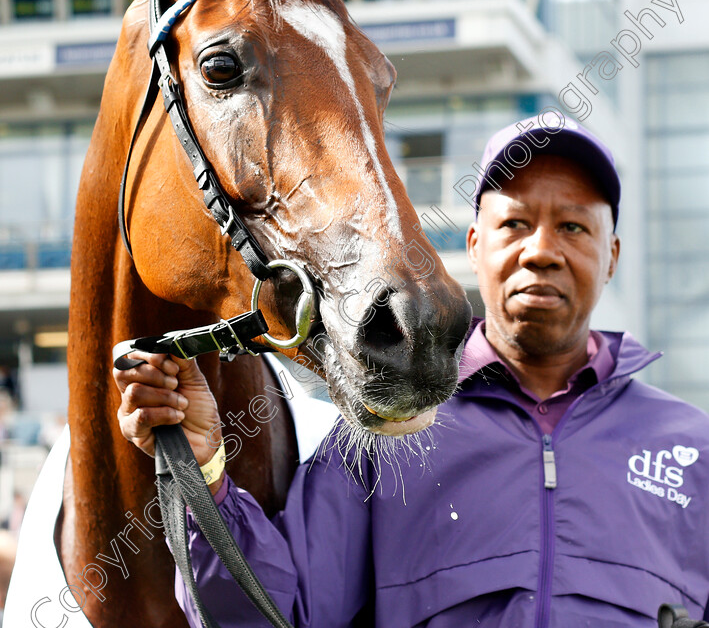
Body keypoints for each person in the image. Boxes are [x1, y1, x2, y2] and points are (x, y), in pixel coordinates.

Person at [114, 114, 709, 627]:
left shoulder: (692, 451)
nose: (541, 250)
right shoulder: (386, 433)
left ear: (612, 256)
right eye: (515, 224)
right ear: (475, 246)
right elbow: (276, 616)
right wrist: (205, 477)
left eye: (574, 226)